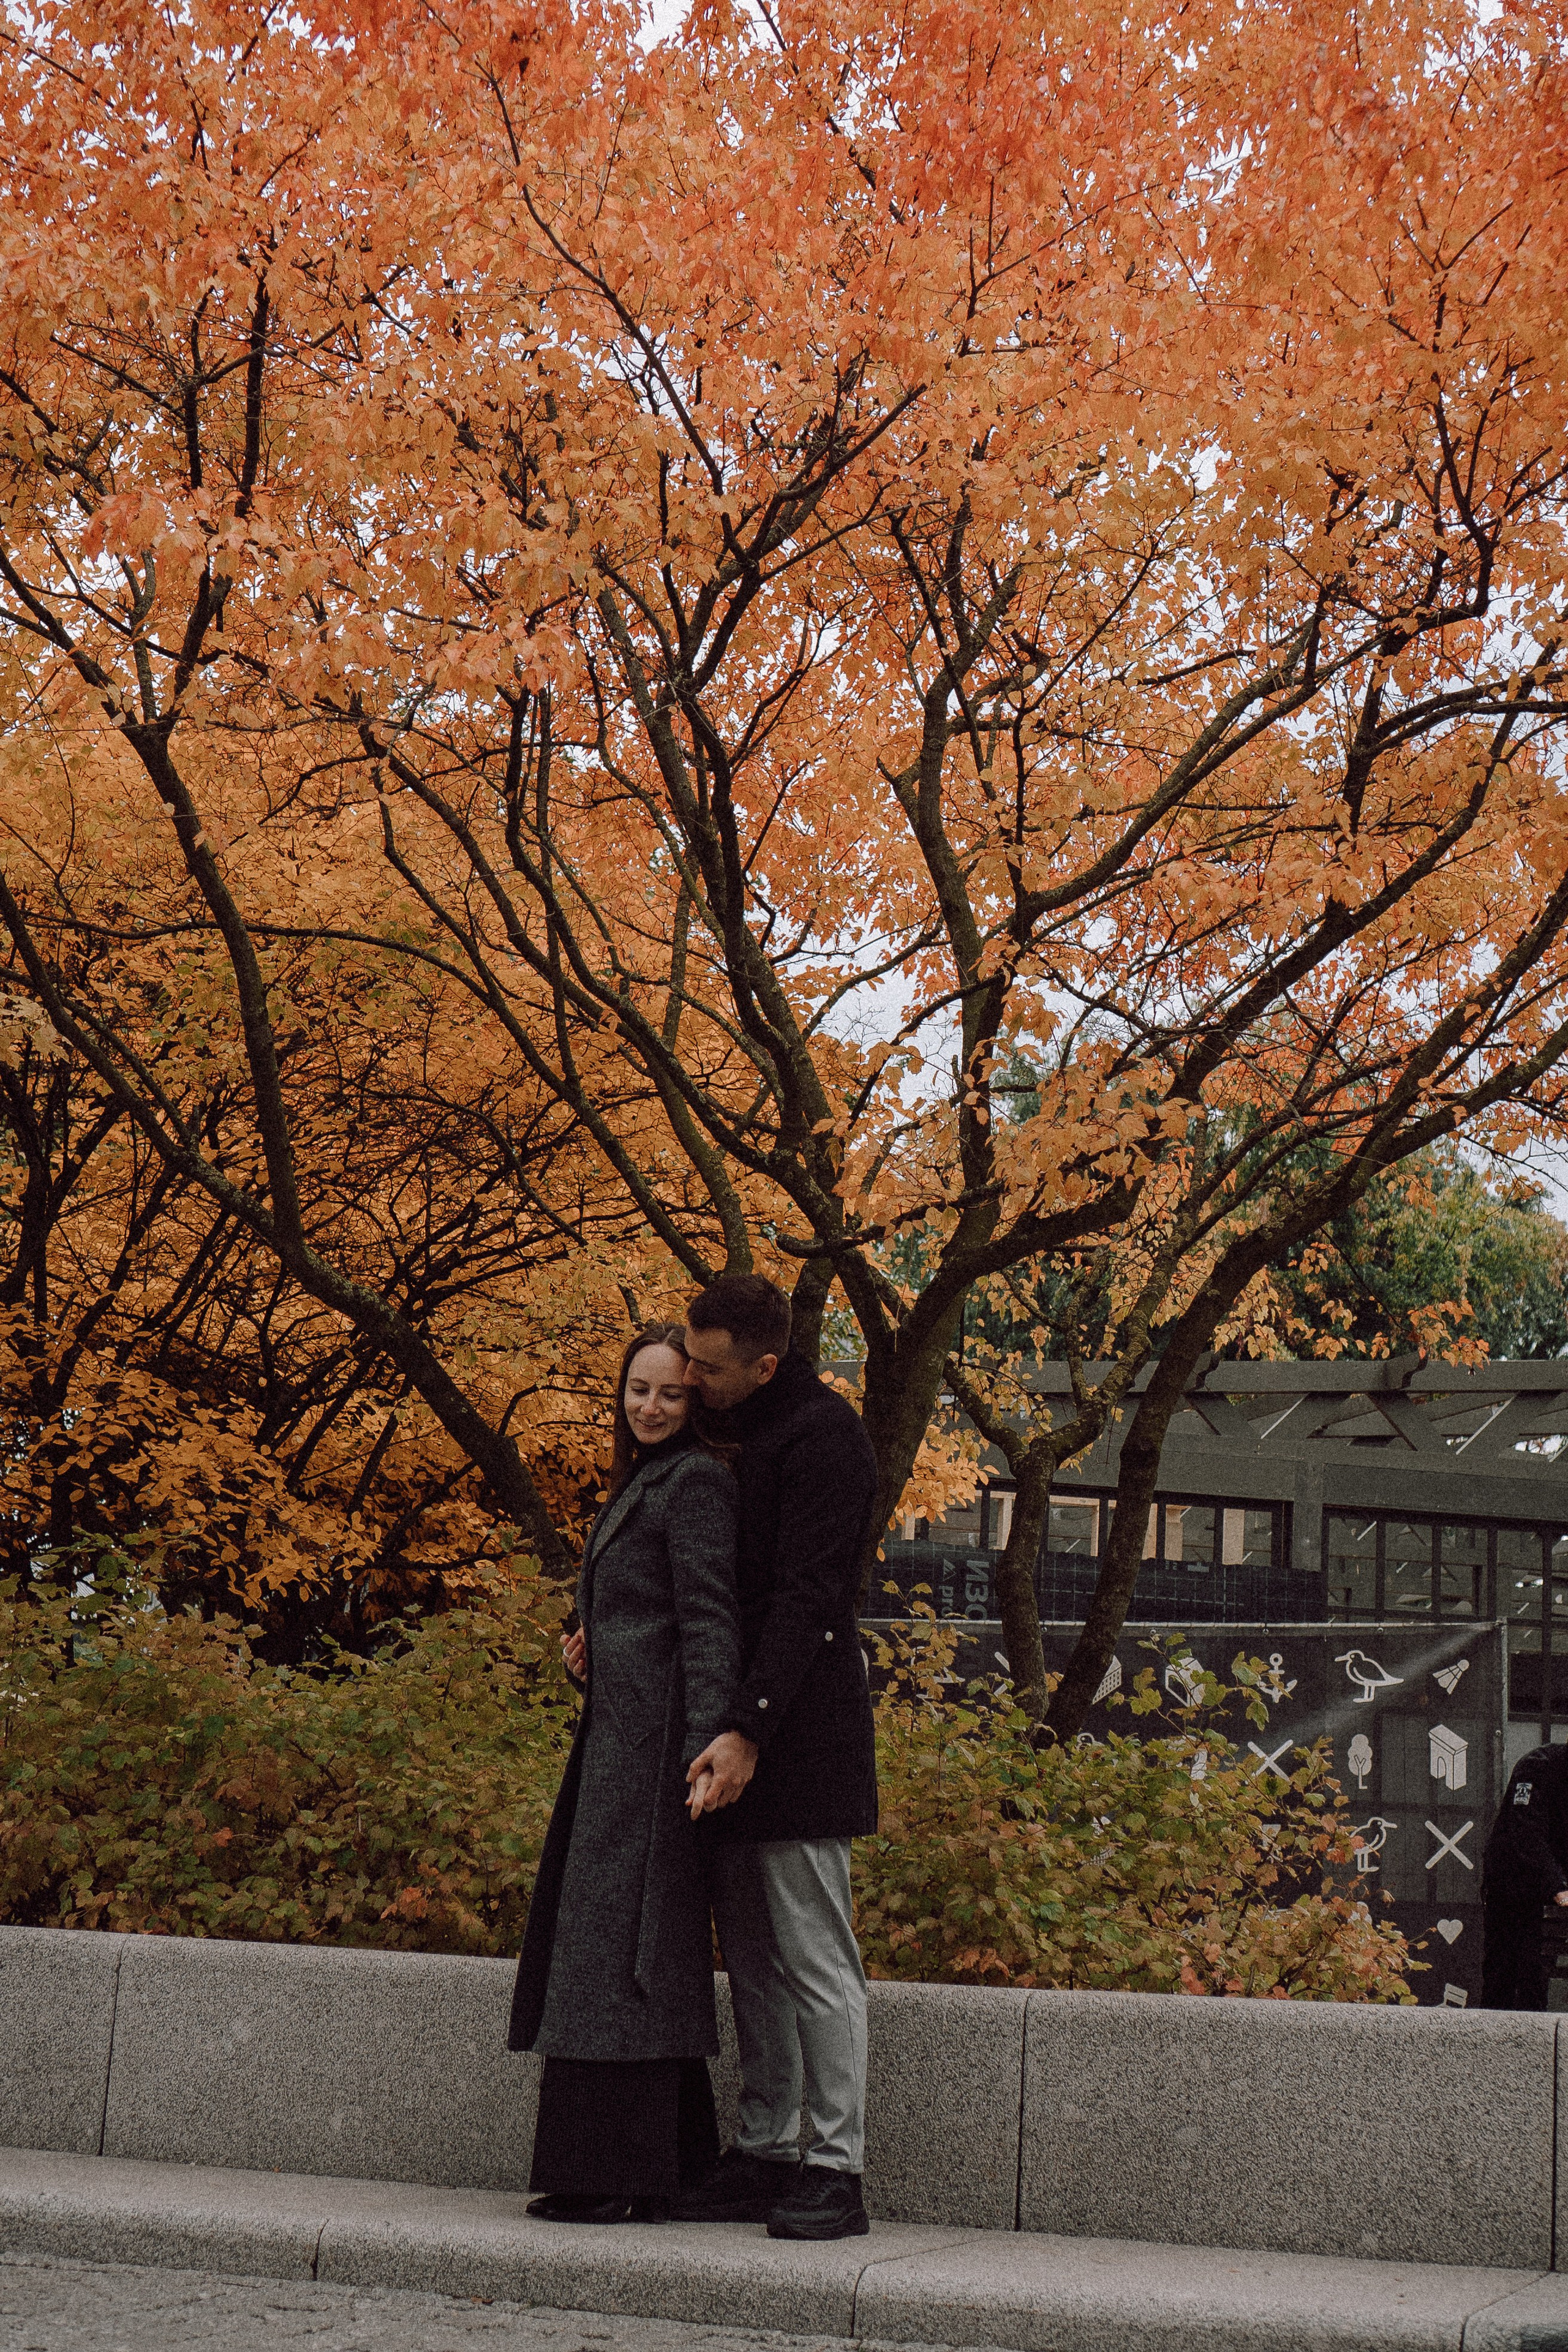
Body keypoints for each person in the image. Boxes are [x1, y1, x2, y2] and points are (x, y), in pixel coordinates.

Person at [507, 1324, 742, 2221]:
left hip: (658, 1756)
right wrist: (592, 1658)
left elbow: (709, 1619)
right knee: (613, 1951)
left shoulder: (694, 1483)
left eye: (670, 1393)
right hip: (618, 1743)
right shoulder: (642, 1481)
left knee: (627, 1953)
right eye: (638, 1390)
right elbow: (642, 1621)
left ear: (695, 1401)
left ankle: (617, 2177)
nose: (649, 1406)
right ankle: (655, 2168)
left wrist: (711, 1742)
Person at [670, 1272, 880, 2244]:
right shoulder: (737, 1430)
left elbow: (809, 1600)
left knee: (815, 1957)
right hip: (733, 1733)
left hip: (798, 1738)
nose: (691, 1380)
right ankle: (765, 2148)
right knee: (753, 1959)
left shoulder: (825, 1438)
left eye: (709, 1369)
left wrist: (749, 1730)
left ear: (763, 1364)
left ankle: (837, 2168)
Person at [1481, 1739, 1568, 2009]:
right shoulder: (1538, 1766)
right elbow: (1525, 1832)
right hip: (1511, 1884)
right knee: (1504, 1977)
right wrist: (1559, 1886)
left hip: (1548, 1886)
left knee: (1536, 1981)